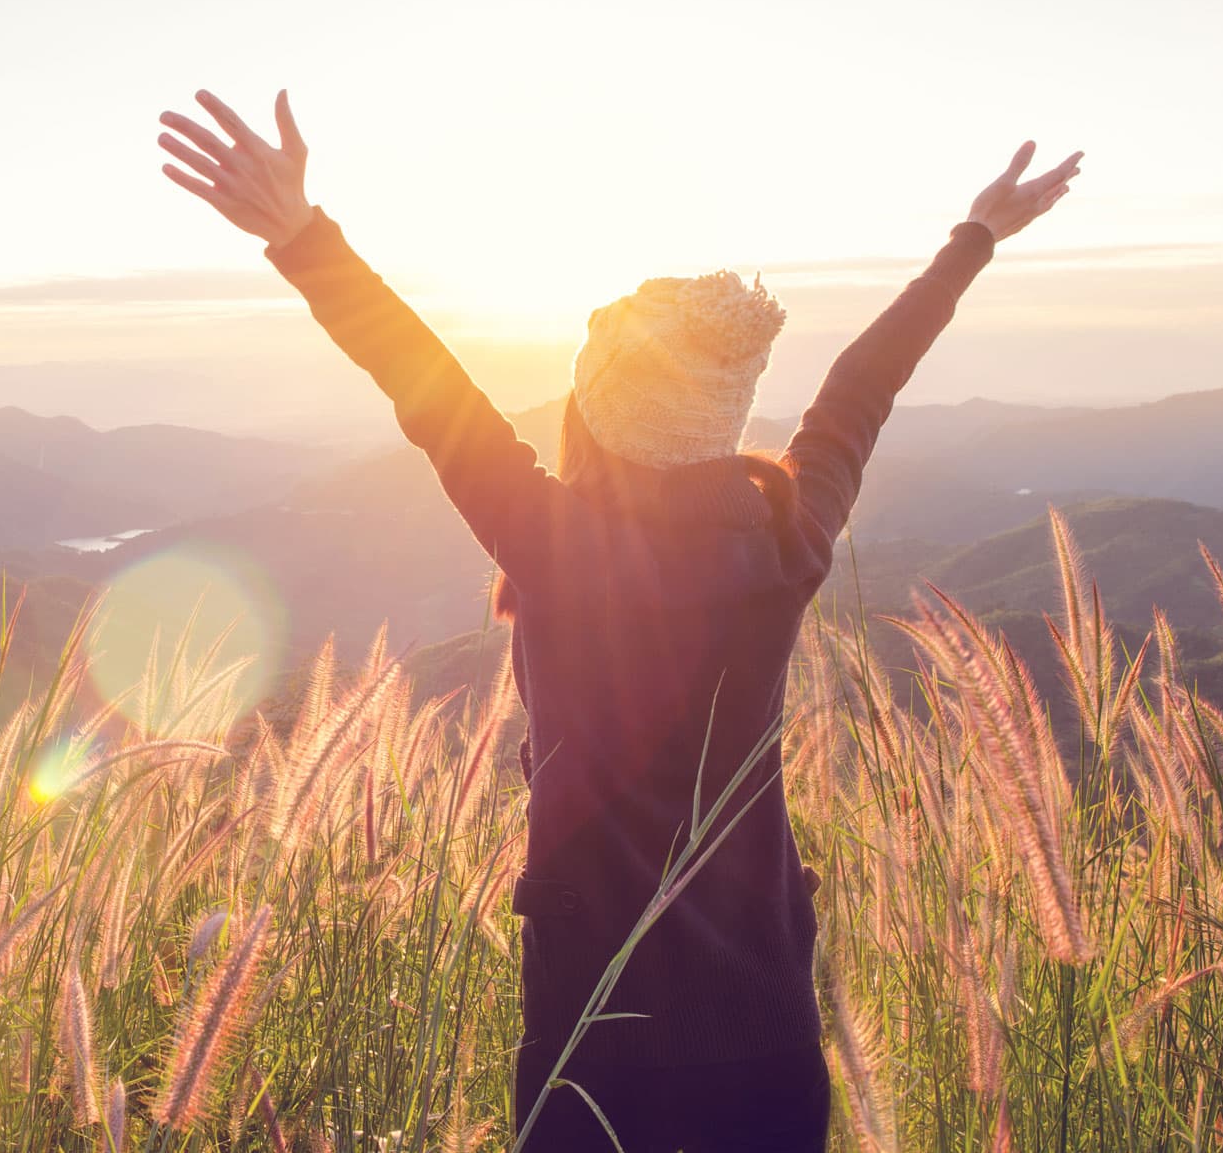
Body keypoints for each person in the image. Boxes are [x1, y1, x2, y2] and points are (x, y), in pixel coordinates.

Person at [158, 89, 1080, 1152]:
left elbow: (427, 387)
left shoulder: (556, 544)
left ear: (592, 411)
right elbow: (859, 391)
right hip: (766, 1023)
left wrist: (303, 237)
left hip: (594, 1037)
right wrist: (974, 238)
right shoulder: (787, 537)